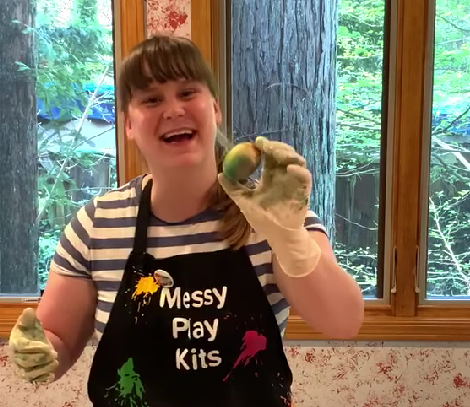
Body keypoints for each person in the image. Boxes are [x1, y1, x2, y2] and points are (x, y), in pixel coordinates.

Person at [9, 34, 364, 407]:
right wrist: (36, 351)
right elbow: (57, 343)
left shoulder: (274, 213)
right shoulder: (96, 225)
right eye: (151, 99)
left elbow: (343, 322)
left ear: (215, 109)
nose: (173, 109)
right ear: (128, 124)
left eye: (187, 92)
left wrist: (288, 237)